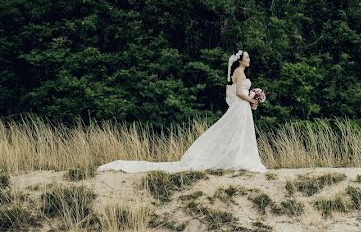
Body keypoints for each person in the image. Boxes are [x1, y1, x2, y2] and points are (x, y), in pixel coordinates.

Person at [97, 50, 267, 173]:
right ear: (240, 61)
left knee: (240, 134)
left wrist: (253, 97)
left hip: (243, 107)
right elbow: (238, 92)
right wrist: (252, 99)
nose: (249, 59)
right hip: (241, 106)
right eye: (247, 57)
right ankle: (233, 159)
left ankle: (238, 158)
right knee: (233, 133)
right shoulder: (238, 71)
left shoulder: (241, 72)